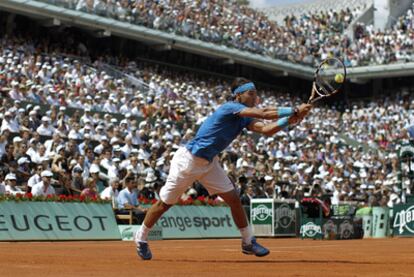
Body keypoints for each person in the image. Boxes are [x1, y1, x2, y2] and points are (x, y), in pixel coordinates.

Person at [134, 77, 312, 260]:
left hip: (209, 163)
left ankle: (248, 242)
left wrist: (289, 120)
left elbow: (267, 129)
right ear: (238, 96)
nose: (255, 97)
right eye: (251, 93)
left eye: (256, 94)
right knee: (164, 204)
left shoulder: (244, 117)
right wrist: (295, 110)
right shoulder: (230, 107)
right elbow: (265, 113)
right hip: (188, 161)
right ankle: (141, 238)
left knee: (234, 199)